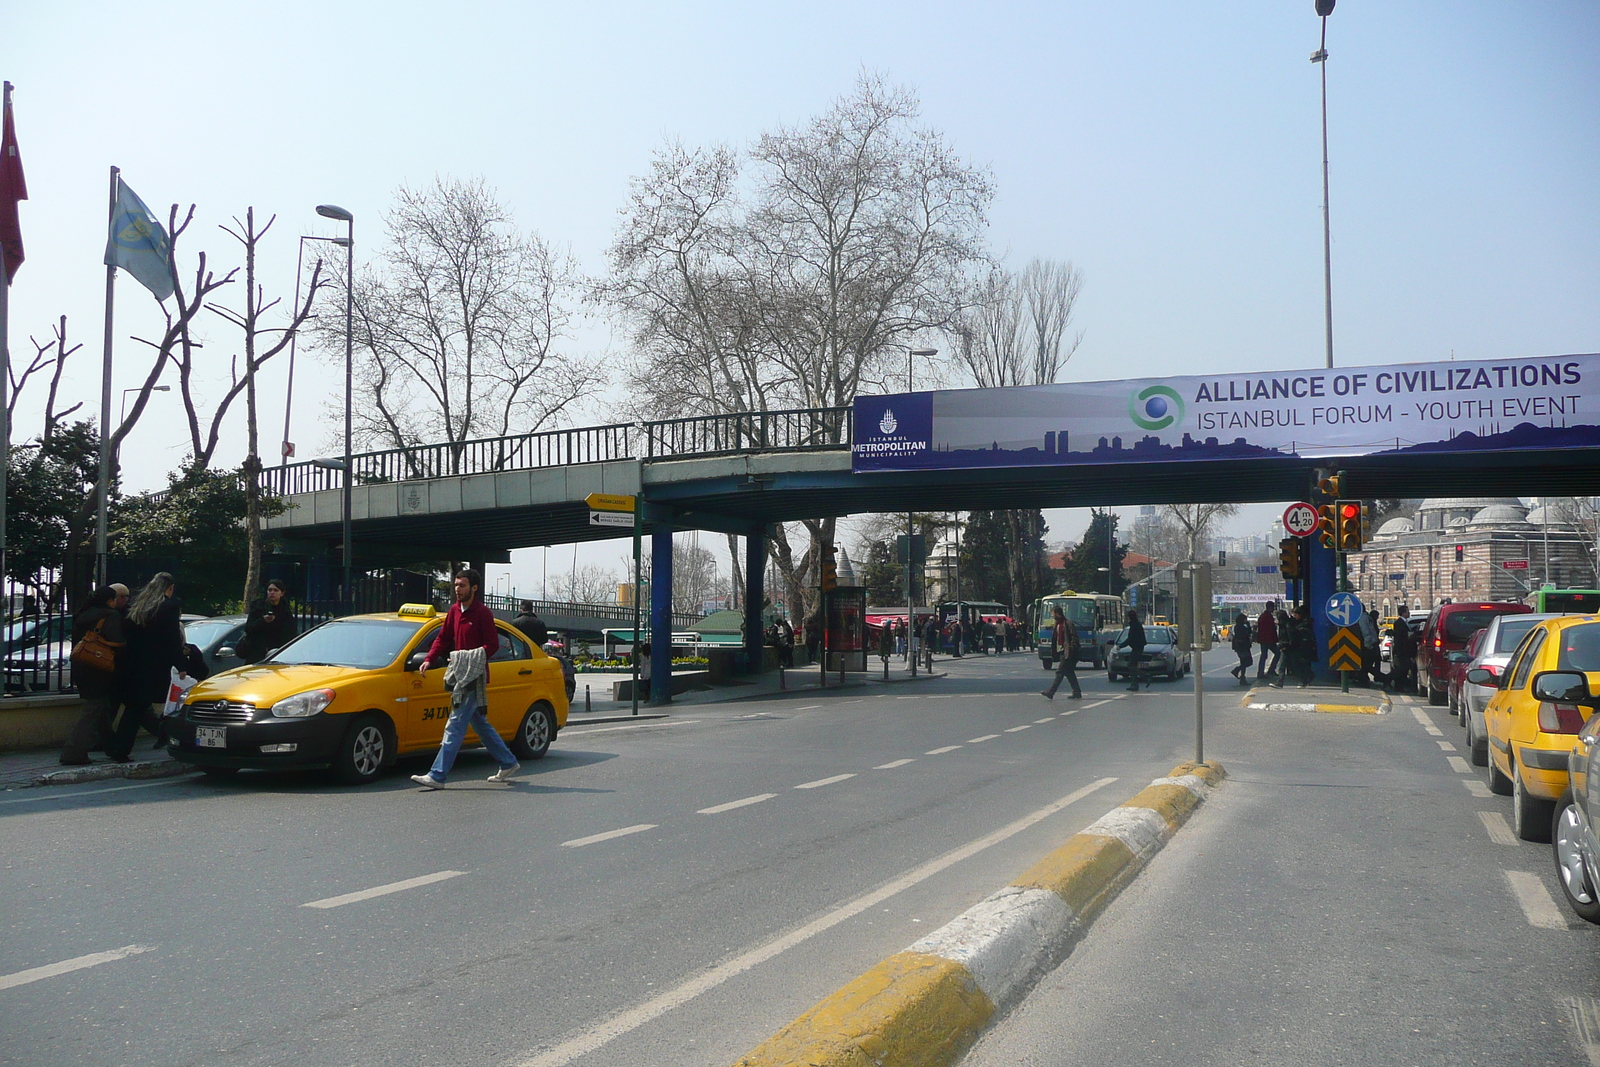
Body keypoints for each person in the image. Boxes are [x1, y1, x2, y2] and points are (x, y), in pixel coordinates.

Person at [409, 569, 521, 789]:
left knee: (455, 724)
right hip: (460, 676)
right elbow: (443, 638)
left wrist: (469, 660)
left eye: (462, 585)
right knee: (479, 724)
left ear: (474, 588)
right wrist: (429, 659)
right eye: (456, 585)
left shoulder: (483, 614)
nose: (457, 589)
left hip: (473, 678)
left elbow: (492, 645)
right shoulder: (454, 611)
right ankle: (508, 762)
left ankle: (437, 775)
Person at [111, 573, 189, 760]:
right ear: (169, 588)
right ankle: (122, 749)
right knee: (162, 706)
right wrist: (181, 664)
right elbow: (172, 639)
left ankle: (120, 749)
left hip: (134, 662)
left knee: (136, 707)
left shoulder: (139, 606)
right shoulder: (168, 607)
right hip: (155, 664)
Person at [59, 587, 127, 765]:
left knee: (101, 707)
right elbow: (117, 642)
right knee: (94, 708)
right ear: (109, 601)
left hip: (82, 665)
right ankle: (72, 751)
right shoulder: (110, 616)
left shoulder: (83, 614)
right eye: (114, 599)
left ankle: (114, 749)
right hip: (100, 667)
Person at [238, 579, 297, 663]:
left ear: (282, 593)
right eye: (270, 590)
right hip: (257, 652)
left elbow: (290, 632)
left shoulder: (285, 609)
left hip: (276, 654)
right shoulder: (258, 606)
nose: (272, 592)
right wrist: (263, 620)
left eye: (276, 590)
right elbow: (248, 628)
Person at [1041, 606, 1083, 700]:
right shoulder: (1057, 624)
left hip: (1067, 652)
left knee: (1060, 672)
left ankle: (1051, 692)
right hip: (1060, 651)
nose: (1052, 615)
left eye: (1053, 613)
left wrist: (1071, 649)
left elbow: (1074, 638)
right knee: (1069, 672)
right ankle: (1077, 692)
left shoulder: (1068, 624)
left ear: (1057, 613)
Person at [1390, 607, 1416, 693]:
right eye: (1407, 612)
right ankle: (1396, 685)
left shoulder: (1405, 622)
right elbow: (1400, 638)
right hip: (1402, 651)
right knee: (1401, 669)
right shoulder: (1399, 623)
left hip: (1405, 651)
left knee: (1404, 669)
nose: (1409, 613)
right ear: (1403, 613)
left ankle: (1401, 686)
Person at [1120, 610, 1147, 692]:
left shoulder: (1134, 625)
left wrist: (1120, 646)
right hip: (1138, 647)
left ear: (1129, 617)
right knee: (1133, 665)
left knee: (1131, 665)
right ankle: (1135, 684)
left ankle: (1145, 677)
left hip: (1137, 648)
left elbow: (1130, 639)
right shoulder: (1137, 624)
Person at [1254, 600, 1280, 682]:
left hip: (1263, 639)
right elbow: (1271, 630)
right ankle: (1271, 670)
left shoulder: (1263, 616)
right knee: (1277, 653)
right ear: (1270, 608)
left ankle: (1261, 672)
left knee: (1264, 655)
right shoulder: (1268, 617)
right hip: (1268, 639)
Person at [1358, 607, 1382, 688]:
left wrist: (1368, 645)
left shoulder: (1362, 618)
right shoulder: (1367, 618)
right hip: (1372, 644)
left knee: (1365, 666)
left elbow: (1366, 632)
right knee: (1367, 665)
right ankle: (1380, 677)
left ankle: (1382, 678)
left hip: (1368, 646)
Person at [1229, 610, 1254, 686]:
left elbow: (1249, 632)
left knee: (1244, 662)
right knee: (1248, 661)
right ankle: (1237, 671)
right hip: (1242, 646)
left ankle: (1242, 677)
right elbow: (1246, 634)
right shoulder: (1239, 627)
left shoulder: (1241, 626)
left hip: (1243, 646)